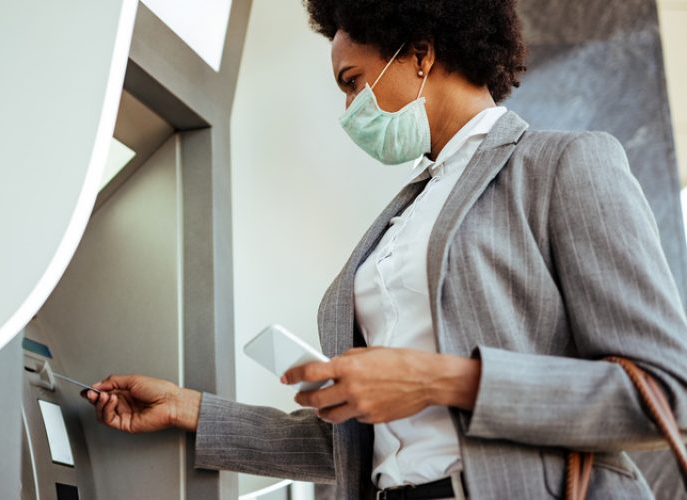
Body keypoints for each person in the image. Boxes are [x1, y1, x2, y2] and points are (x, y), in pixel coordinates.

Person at [82, 1, 687, 498]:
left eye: (352, 83)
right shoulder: (406, 213)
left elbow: (666, 394)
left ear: (421, 54)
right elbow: (348, 444)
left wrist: (441, 381)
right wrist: (190, 409)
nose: (350, 110)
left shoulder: (563, 165)